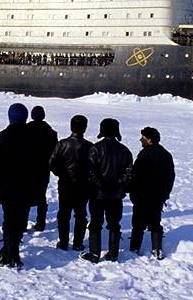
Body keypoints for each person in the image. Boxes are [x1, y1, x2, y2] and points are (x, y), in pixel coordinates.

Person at [0, 103, 35, 268]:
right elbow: (39, 165)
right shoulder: (33, 138)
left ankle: (10, 255)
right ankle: (10, 253)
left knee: (9, 221)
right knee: (21, 221)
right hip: (27, 186)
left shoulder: (1, 138)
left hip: (7, 187)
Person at [81, 118, 132, 263]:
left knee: (96, 223)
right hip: (115, 195)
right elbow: (128, 172)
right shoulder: (124, 150)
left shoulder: (95, 148)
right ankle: (113, 254)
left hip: (97, 194)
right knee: (114, 223)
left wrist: (100, 185)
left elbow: (90, 171)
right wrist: (118, 185)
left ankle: (94, 254)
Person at [128, 127, 175, 260]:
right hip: (158, 196)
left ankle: (134, 248)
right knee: (155, 223)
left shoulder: (144, 155)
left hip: (142, 196)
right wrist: (165, 194)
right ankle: (157, 249)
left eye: (143, 138)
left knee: (138, 224)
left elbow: (135, 176)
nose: (140, 140)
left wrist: (133, 193)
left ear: (149, 140)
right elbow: (170, 177)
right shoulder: (166, 154)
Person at [49, 114, 93, 251]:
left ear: (71, 127)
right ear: (85, 128)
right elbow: (93, 167)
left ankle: (63, 242)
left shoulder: (62, 144)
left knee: (64, 213)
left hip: (66, 184)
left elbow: (51, 163)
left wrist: (62, 174)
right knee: (80, 214)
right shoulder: (89, 146)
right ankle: (78, 243)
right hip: (82, 185)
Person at [26, 105, 57, 231]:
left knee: (25, 195)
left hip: (27, 168)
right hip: (43, 169)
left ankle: (23, 222)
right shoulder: (51, 133)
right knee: (41, 196)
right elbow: (55, 152)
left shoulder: (25, 130)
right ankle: (41, 222)